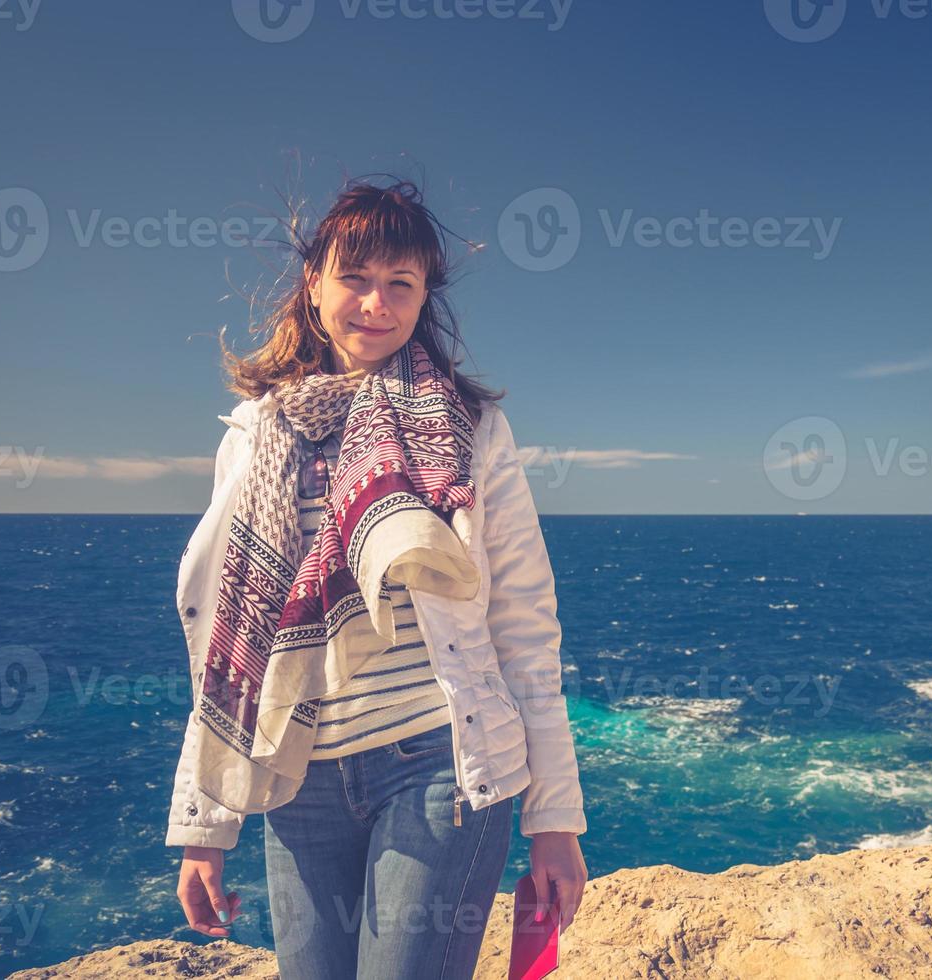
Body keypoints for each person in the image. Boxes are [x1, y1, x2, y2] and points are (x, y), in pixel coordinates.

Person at [165, 178, 589, 979]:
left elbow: (526, 624)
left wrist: (555, 821)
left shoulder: (471, 428)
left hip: (440, 769)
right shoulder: (257, 433)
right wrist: (205, 825)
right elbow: (231, 638)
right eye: (355, 278)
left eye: (401, 284)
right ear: (314, 283)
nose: (375, 303)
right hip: (298, 779)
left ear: (424, 297)